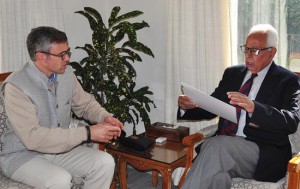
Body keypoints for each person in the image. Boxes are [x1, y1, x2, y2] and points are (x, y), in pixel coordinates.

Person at [0, 26, 124, 189]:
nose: (67, 59)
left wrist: (104, 117)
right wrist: (87, 133)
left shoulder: (66, 74)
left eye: (68, 52)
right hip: (21, 156)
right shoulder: (16, 87)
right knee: (60, 179)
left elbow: (85, 104)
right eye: (61, 55)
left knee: (104, 162)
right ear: (41, 57)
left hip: (58, 150)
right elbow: (32, 138)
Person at [178, 24, 300, 189]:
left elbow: (290, 121)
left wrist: (254, 108)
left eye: (255, 51)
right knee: (217, 178)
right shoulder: (232, 74)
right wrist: (188, 106)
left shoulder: (288, 80)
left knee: (215, 145)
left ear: (272, 52)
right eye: (246, 49)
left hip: (262, 152)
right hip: (226, 150)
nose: (248, 56)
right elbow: (213, 106)